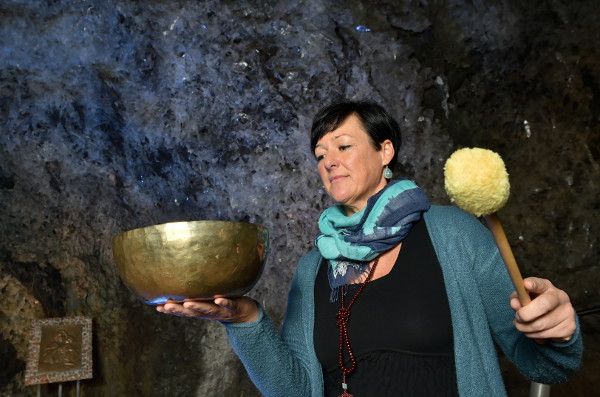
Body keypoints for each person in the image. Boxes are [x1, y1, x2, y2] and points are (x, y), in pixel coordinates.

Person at [156, 101, 582, 396]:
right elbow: (297, 390)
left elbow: (545, 365)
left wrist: (560, 332)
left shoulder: (453, 233)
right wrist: (244, 318)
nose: (328, 162)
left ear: (385, 151)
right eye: (320, 155)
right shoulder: (314, 266)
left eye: (343, 146)